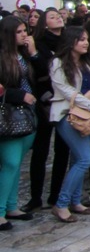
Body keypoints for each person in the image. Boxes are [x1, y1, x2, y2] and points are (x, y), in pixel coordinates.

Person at [49, 26, 90, 223]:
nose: (86, 42)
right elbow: (66, 91)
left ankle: (75, 201)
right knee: (85, 159)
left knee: (77, 160)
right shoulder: (57, 63)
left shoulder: (86, 63)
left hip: (88, 116)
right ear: (71, 41)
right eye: (81, 39)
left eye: (87, 39)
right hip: (67, 115)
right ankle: (61, 203)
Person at [22, 8, 68, 212]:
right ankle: (35, 196)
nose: (57, 17)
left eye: (58, 15)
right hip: (45, 101)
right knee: (40, 151)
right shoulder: (37, 43)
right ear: (44, 23)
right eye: (52, 16)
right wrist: (34, 54)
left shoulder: (68, 41)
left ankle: (56, 194)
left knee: (62, 150)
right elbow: (42, 70)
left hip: (65, 99)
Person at [0, 17, 44, 230]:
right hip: (10, 115)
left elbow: (42, 73)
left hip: (28, 113)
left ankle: (11, 205)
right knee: (10, 162)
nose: (24, 34)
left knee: (16, 163)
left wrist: (34, 53)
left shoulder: (23, 54)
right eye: (19, 32)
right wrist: (19, 96)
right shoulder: (3, 56)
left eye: (25, 30)